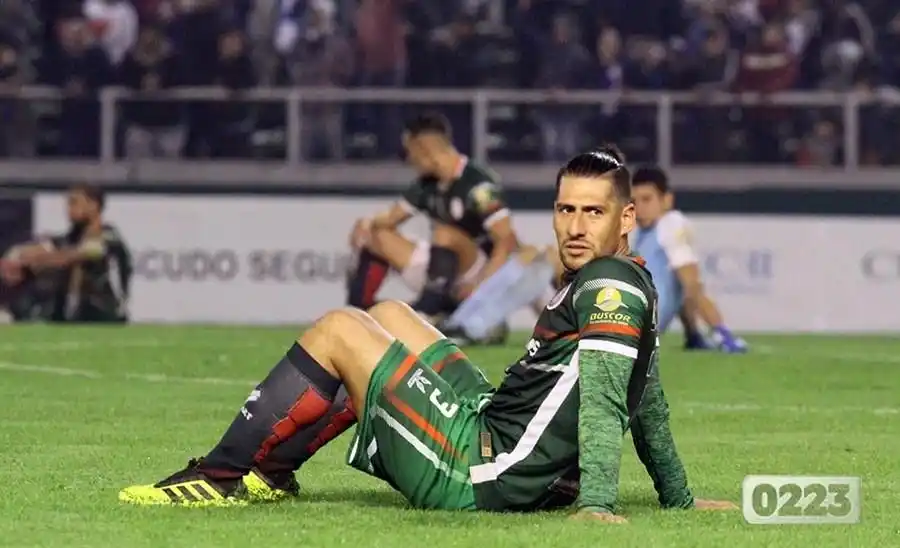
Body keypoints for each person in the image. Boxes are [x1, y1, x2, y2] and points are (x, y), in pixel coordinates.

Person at [119, 147, 735, 521]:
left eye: (592, 212)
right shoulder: (629, 279)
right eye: (565, 209)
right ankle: (273, 471)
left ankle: (223, 475)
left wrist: (598, 504)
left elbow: (609, 404)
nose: (574, 227)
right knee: (389, 313)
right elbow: (646, 396)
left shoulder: (606, 287)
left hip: (482, 472)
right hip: (497, 430)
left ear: (627, 217)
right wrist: (676, 498)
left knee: (339, 327)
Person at [346, 112, 518, 325]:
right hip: (440, 272)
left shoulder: (478, 183)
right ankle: (361, 311)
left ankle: (430, 310)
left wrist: (481, 287)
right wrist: (366, 224)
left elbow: (507, 241)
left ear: (423, 149)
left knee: (444, 233)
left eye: (410, 151)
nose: (409, 159)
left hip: (477, 273)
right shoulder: (426, 184)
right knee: (377, 235)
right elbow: (390, 218)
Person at [630, 166, 748, 353]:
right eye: (634, 201)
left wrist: (720, 332)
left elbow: (692, 286)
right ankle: (695, 336)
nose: (639, 208)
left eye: (647, 200)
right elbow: (685, 288)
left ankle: (703, 336)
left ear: (667, 200)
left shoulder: (670, 225)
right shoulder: (641, 234)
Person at [0, 183, 132, 323]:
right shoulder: (70, 238)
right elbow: (41, 247)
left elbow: (77, 255)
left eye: (74, 203)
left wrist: (37, 261)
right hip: (76, 315)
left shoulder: (108, 236)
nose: (69, 209)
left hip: (107, 314)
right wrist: (15, 256)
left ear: (94, 205)